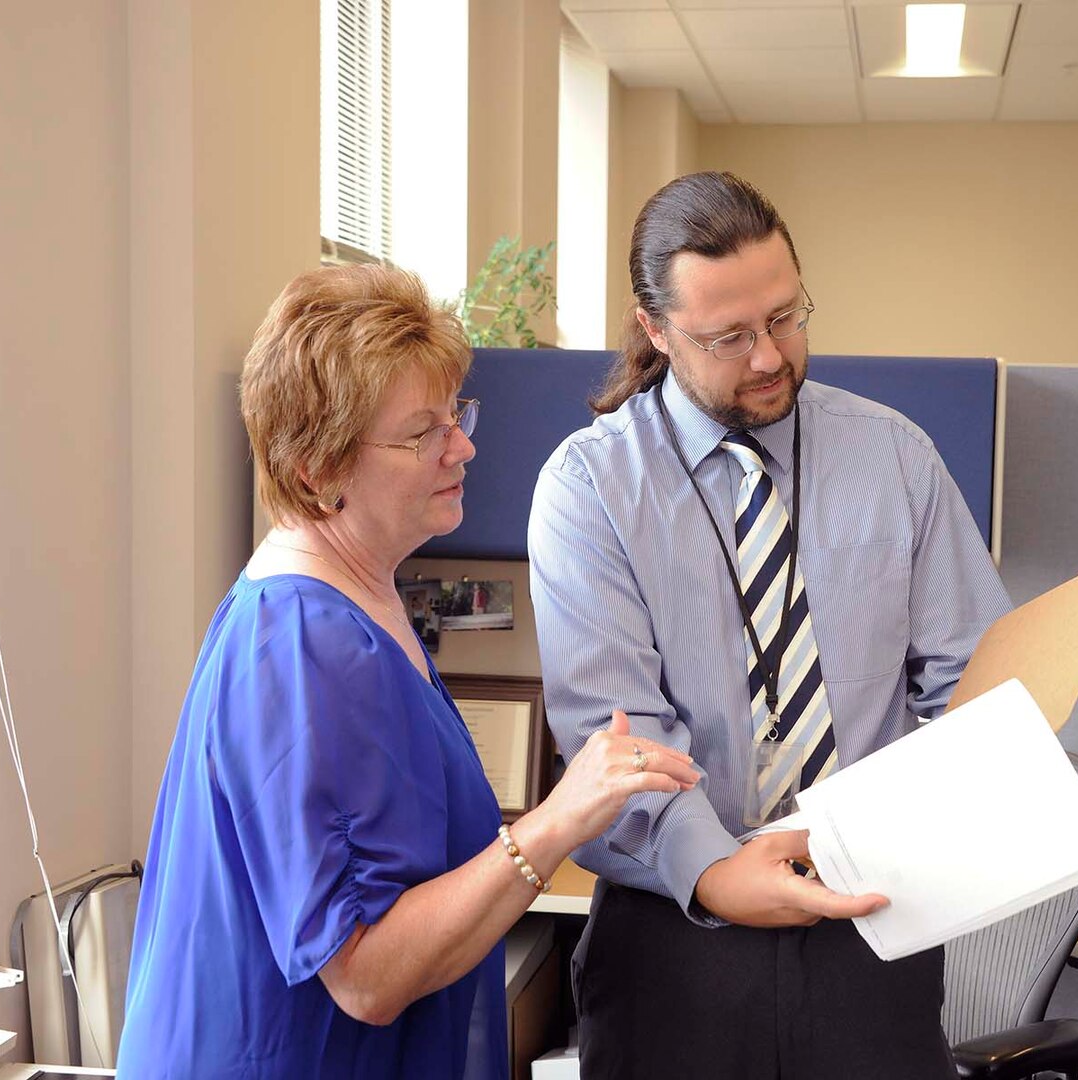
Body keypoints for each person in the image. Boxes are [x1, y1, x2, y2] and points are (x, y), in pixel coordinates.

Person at [119, 265, 699, 1078]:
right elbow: (366, 974)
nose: (462, 446)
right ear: (318, 469)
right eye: (420, 432)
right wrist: (556, 821)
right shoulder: (304, 644)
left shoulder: (361, 603)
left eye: (455, 414)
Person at [528, 171, 1014, 1079]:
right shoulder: (590, 489)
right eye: (729, 336)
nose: (769, 357)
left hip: (873, 918)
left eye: (786, 317)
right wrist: (717, 875)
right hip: (675, 941)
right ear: (655, 328)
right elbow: (617, 739)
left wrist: (951, 811)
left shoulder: (894, 456)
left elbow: (973, 686)